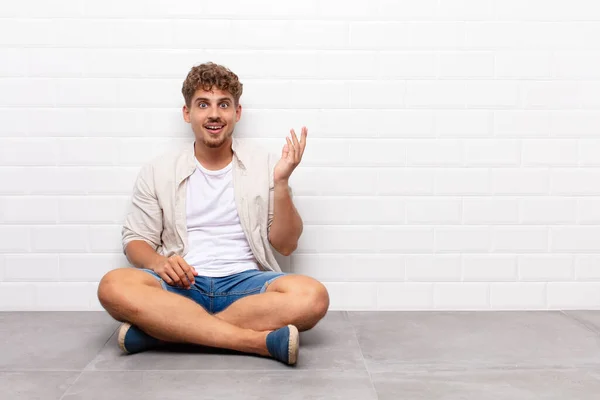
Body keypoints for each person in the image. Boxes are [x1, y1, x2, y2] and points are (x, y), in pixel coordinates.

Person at [97, 62, 330, 365]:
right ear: (187, 113)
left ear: (237, 112)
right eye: (203, 104)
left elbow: (285, 245)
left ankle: (167, 331)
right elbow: (135, 240)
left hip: (246, 286)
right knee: (112, 286)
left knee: (314, 296)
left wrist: (282, 182)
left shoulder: (267, 165)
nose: (214, 114)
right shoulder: (158, 170)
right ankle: (254, 342)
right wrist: (160, 262)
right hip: (182, 284)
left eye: (224, 104)